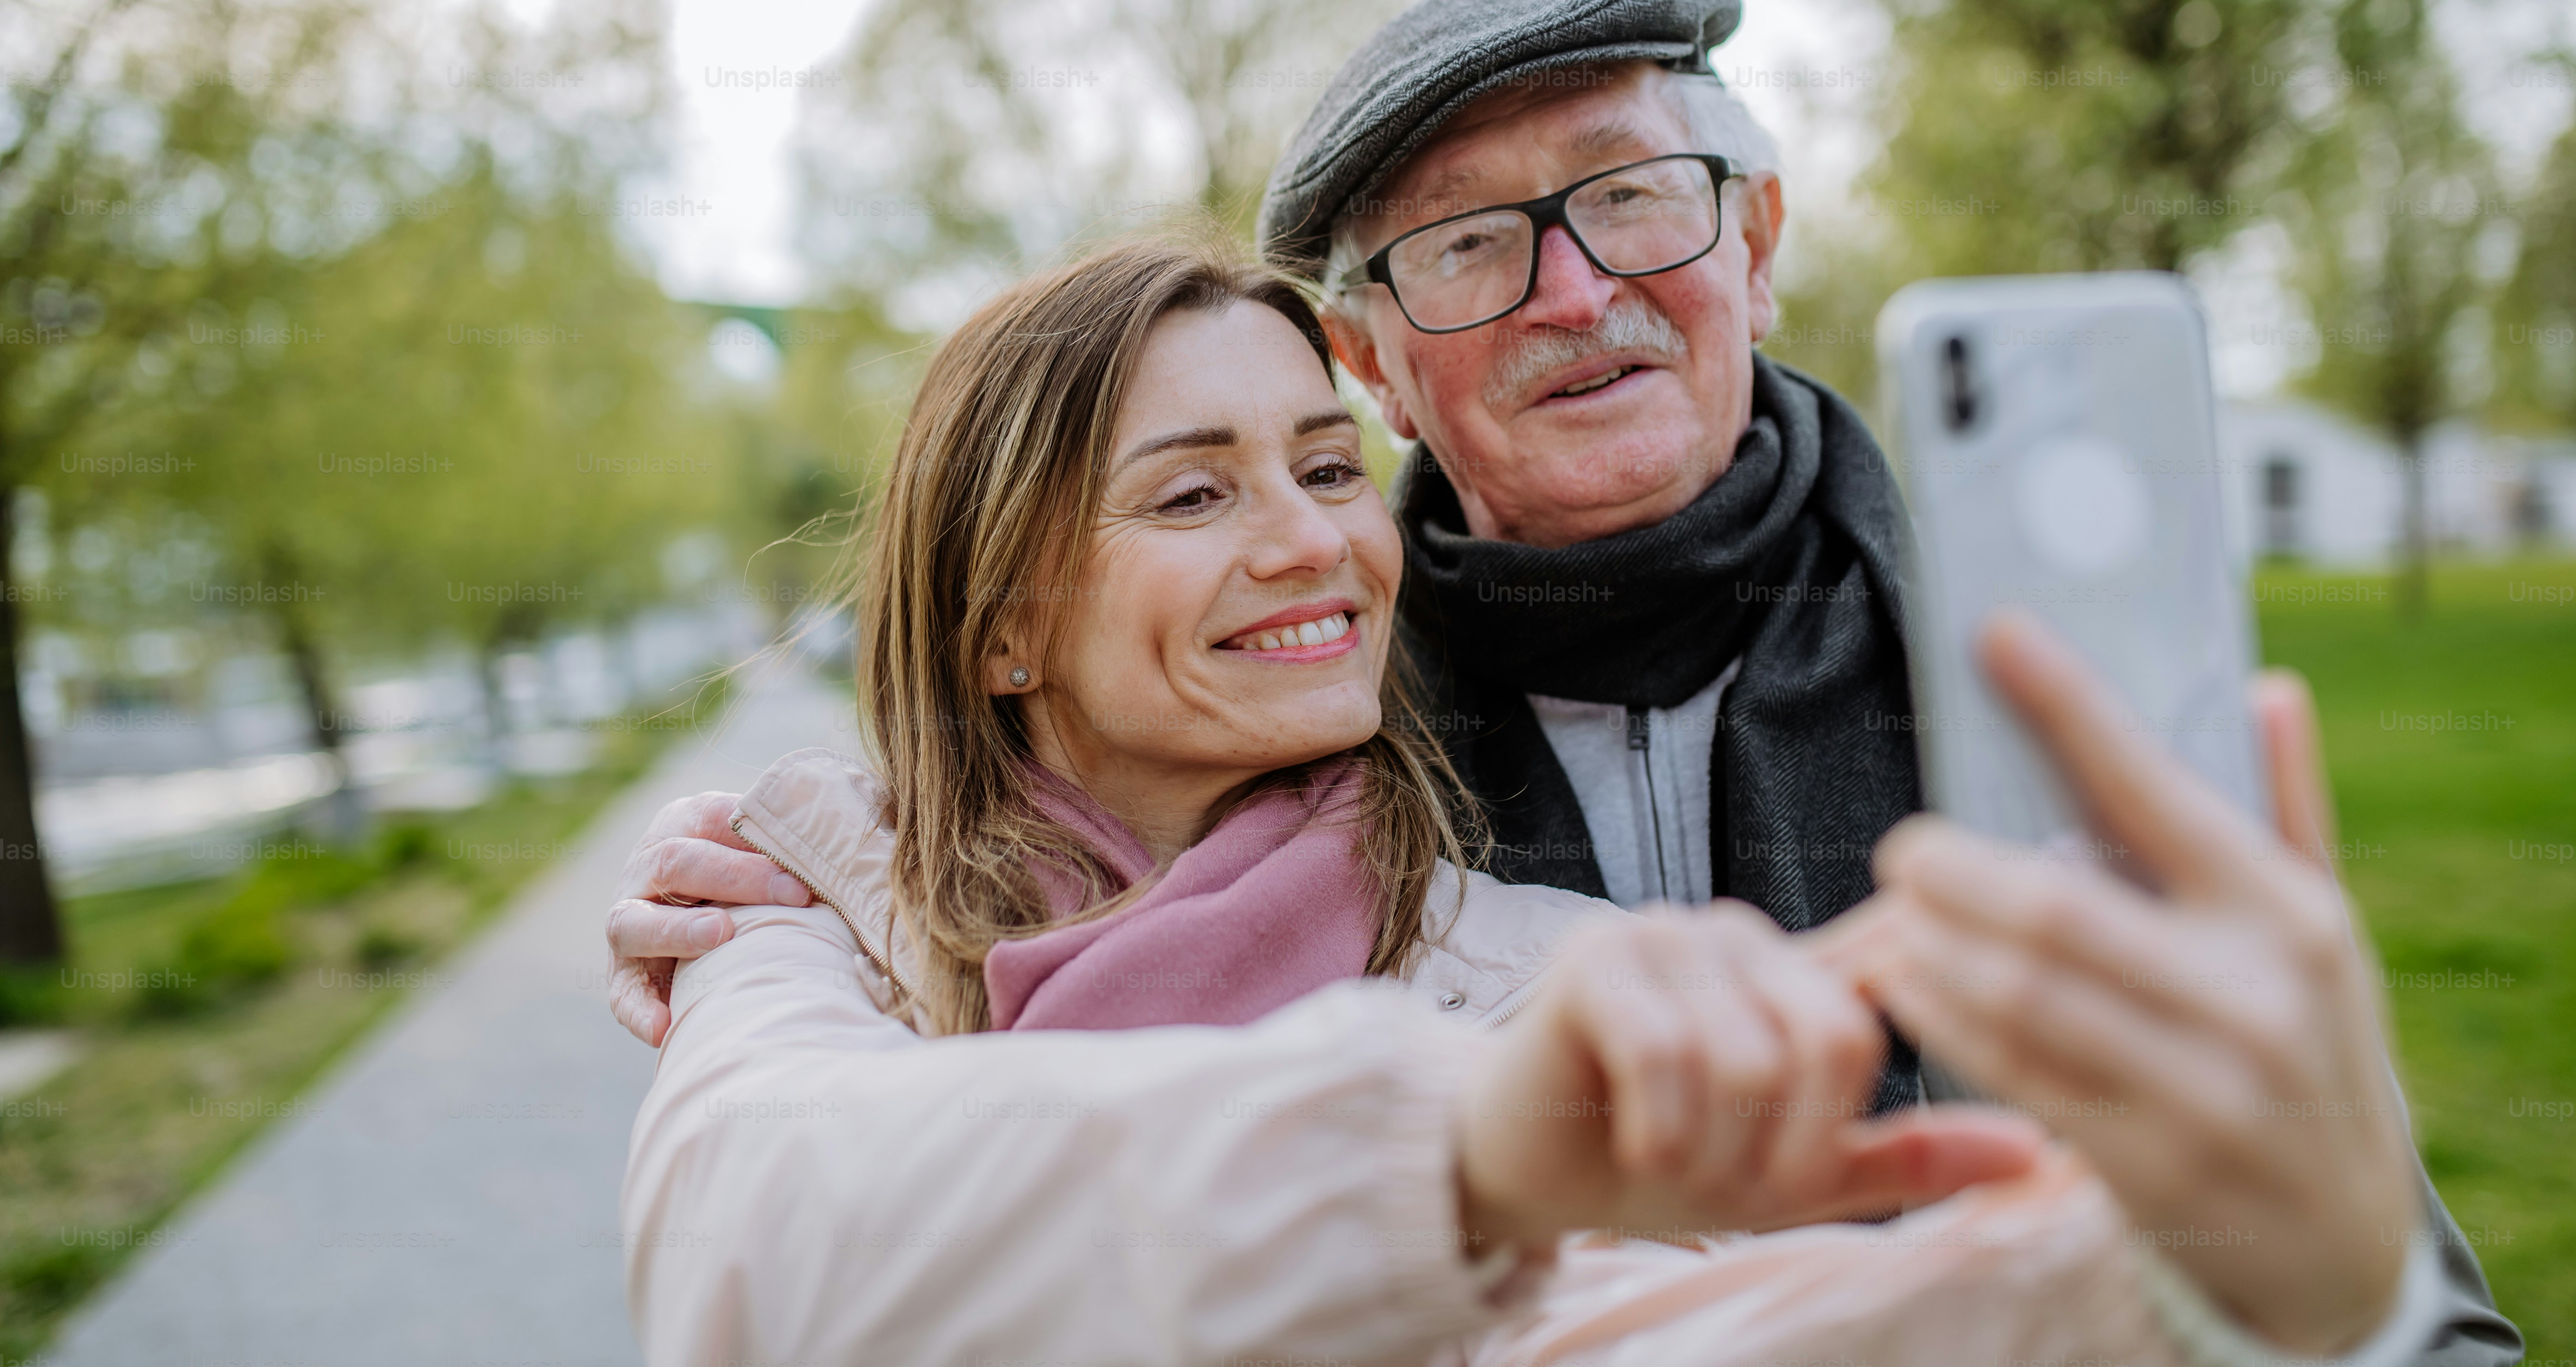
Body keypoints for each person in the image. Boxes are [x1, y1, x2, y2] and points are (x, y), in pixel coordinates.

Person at [610, 0, 2518, 1364]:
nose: (1578, 293)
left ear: (1758, 237)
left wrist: (2317, 1291)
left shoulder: (2037, 681)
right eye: (1463, 247)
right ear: (1378, 356)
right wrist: (790, 875)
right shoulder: (1313, 713)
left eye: (1632, 197)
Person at [620, 233, 2060, 1365]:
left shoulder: (1541, 978)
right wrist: (1440, 1163)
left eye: (1327, 467)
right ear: (1002, 627)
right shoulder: (812, 908)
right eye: (1195, 498)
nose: (1314, 539)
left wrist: (2143, 1289)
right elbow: (752, 1259)